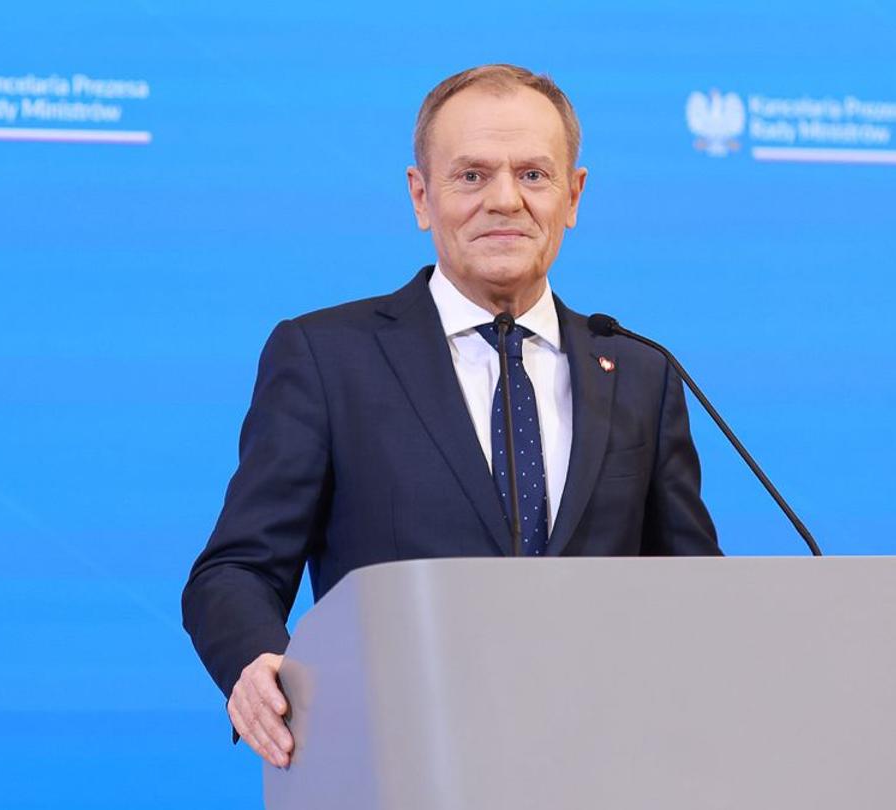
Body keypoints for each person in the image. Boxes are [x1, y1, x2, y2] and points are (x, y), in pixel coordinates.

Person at [180, 64, 722, 768]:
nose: (505, 200)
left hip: (603, 763)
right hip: (399, 759)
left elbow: (696, 594)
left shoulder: (641, 372)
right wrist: (256, 661)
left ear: (573, 195)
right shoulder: (327, 358)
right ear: (421, 195)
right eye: (471, 175)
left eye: (533, 175)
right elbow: (235, 570)